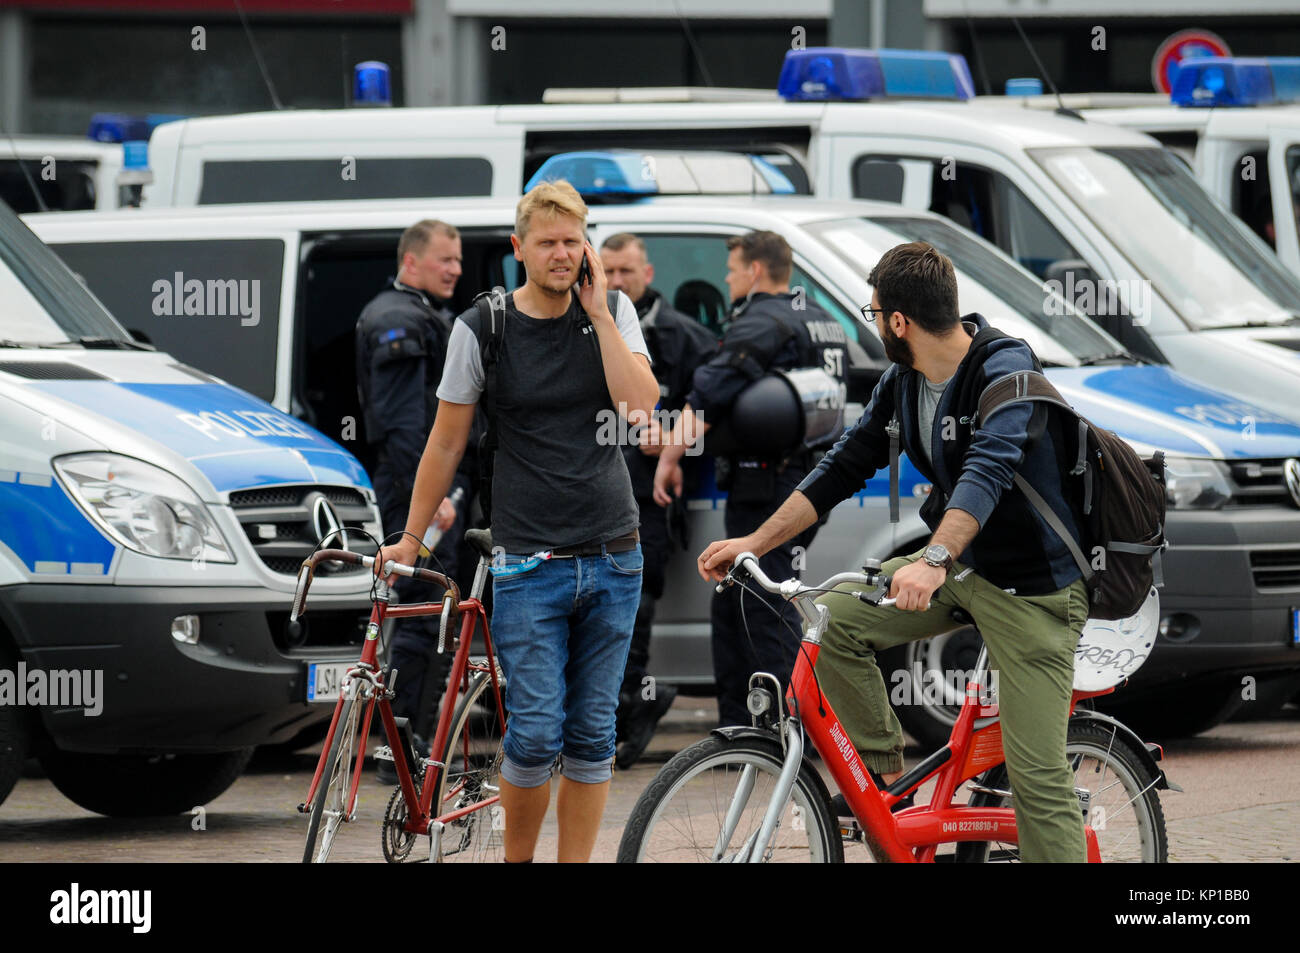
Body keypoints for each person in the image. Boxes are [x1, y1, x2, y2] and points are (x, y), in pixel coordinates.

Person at [698, 241, 1091, 862]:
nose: (874, 321)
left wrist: (932, 561)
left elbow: (986, 472)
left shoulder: (1006, 373)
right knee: (833, 623)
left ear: (898, 322)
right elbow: (840, 468)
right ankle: (888, 788)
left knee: (1037, 780)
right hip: (962, 568)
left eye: (873, 311)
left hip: (1034, 591)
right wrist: (753, 541)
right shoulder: (903, 382)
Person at [375, 180, 659, 863]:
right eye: (548, 243)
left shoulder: (614, 308)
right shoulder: (482, 327)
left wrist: (596, 313)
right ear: (518, 249)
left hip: (615, 555)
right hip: (529, 561)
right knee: (534, 733)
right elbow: (444, 442)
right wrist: (413, 536)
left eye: (573, 240)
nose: (562, 254)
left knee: (593, 732)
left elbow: (641, 408)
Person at [653, 230, 848, 728]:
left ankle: (780, 730)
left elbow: (709, 396)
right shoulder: (823, 320)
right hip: (812, 480)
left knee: (761, 604)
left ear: (756, 271)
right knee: (739, 598)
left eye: (733, 269)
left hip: (769, 485)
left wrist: (669, 456)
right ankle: (741, 725)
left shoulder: (760, 322)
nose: (727, 278)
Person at [355, 219, 469, 781]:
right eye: (445, 258)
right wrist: (437, 497)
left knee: (434, 616)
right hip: (413, 489)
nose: (456, 268)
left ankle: (410, 738)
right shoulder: (398, 319)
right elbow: (404, 427)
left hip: (425, 487)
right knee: (421, 619)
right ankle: (397, 747)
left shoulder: (421, 313)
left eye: (458, 259)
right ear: (411, 262)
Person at [600, 233, 718, 768]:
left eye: (626, 271)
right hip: (597, 492)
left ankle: (627, 712)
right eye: (608, 271)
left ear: (647, 273)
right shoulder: (586, 325)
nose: (617, 281)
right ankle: (623, 711)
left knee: (636, 602)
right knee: (605, 605)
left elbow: (714, 412)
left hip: (651, 497)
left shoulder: (687, 338)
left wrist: (673, 436)